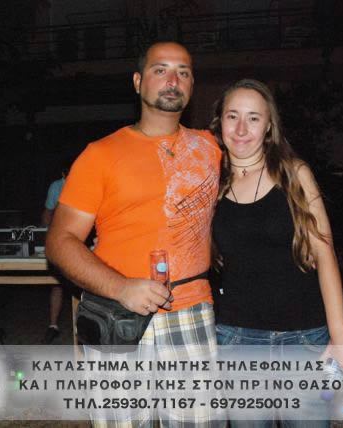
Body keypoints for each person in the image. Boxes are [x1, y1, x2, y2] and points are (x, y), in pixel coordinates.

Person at [46, 41, 223, 427]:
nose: (173, 80)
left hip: (191, 311)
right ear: (138, 82)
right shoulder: (100, 155)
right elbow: (60, 241)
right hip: (116, 313)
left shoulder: (211, 148)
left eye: (183, 72)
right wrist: (121, 287)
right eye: (161, 70)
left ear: (192, 86)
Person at [209, 79, 343, 426]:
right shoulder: (210, 182)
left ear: (269, 127)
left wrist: (339, 332)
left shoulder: (294, 174)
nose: (242, 129)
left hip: (304, 339)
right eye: (233, 116)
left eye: (253, 118)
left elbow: (324, 253)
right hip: (238, 340)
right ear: (220, 122)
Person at [41, 163, 70, 344]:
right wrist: (45, 236)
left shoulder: (87, 182)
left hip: (84, 236)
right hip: (60, 236)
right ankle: (53, 325)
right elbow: (47, 213)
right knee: (57, 282)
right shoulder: (56, 187)